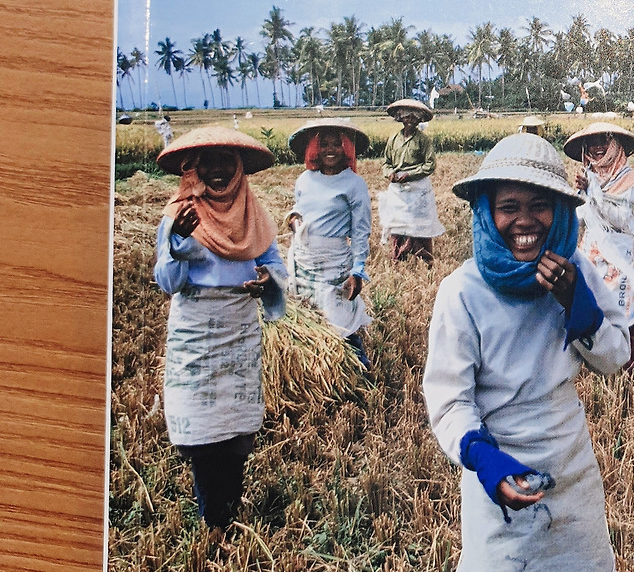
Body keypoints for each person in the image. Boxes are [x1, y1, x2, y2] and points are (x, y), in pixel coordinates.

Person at [422, 133, 631, 572]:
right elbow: (449, 401)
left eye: (540, 205)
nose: (525, 221)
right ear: (485, 213)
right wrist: (487, 464)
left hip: (568, 459)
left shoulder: (577, 272)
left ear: (562, 212)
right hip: (500, 474)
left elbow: (615, 357)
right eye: (508, 206)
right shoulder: (462, 293)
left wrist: (574, 302)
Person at [152, 127, 287, 533]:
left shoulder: (253, 213)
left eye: (226, 160)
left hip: (239, 329)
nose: (217, 169)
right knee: (203, 430)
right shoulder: (178, 215)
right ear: (193, 168)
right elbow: (168, 282)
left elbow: (273, 263)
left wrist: (267, 281)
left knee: (237, 430)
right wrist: (178, 242)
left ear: (239, 167)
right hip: (196, 332)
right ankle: (214, 519)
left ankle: (227, 505)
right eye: (207, 161)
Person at [564, 118, 634, 374]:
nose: (597, 148)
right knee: (591, 308)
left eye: (603, 141)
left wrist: (593, 191)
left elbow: (621, 220)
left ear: (615, 145)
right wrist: (577, 197)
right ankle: (594, 366)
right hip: (592, 253)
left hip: (618, 256)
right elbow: (582, 215)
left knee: (622, 313)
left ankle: (629, 371)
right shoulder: (589, 176)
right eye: (592, 142)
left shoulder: (628, 179)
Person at [287, 119, 373, 367]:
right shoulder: (305, 179)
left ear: (346, 148)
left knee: (338, 318)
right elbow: (298, 209)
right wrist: (293, 220)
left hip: (333, 262)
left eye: (337, 144)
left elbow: (360, 231)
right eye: (324, 144)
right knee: (308, 315)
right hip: (303, 259)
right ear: (315, 148)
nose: (330, 150)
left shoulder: (354, 184)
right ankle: (318, 370)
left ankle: (359, 369)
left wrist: (357, 270)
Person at [378, 99, 444, 265]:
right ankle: (399, 256)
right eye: (407, 116)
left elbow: (430, 165)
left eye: (414, 117)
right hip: (397, 190)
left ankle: (424, 258)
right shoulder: (393, 139)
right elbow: (386, 163)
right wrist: (390, 174)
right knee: (397, 223)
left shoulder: (423, 140)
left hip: (418, 188)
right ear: (400, 117)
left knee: (420, 225)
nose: (410, 120)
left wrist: (409, 174)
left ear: (419, 120)